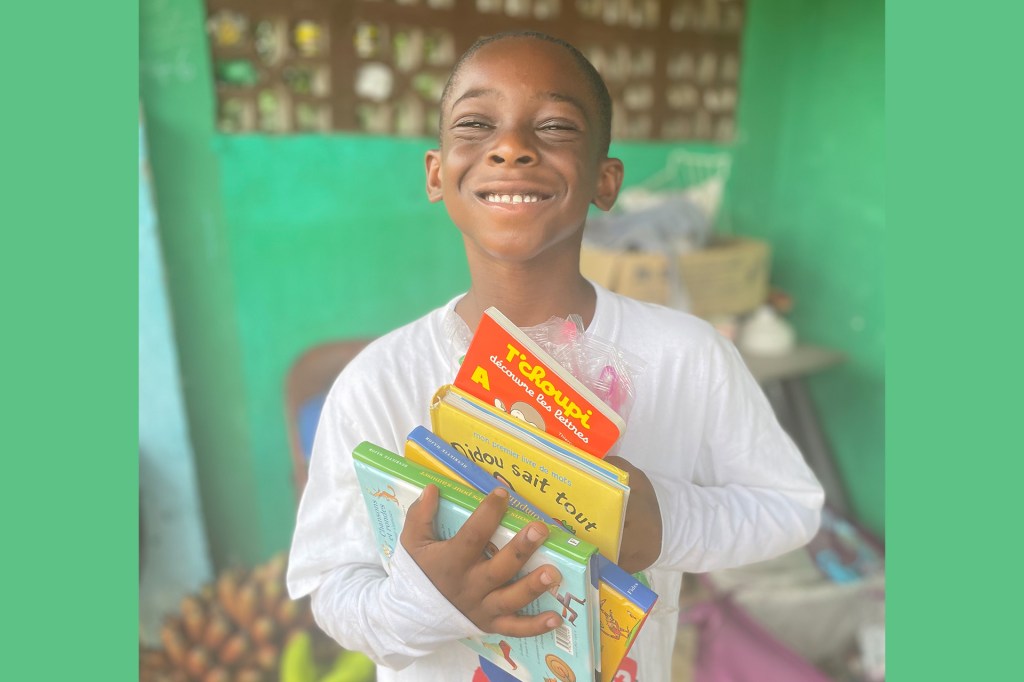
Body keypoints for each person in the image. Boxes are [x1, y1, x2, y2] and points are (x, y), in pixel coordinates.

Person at [287, 31, 824, 682]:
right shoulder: (380, 380)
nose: (511, 147)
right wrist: (423, 601)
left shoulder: (688, 357)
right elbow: (330, 586)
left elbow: (791, 507)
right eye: (477, 124)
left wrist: (665, 524)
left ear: (605, 179)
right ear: (436, 172)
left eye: (555, 127)